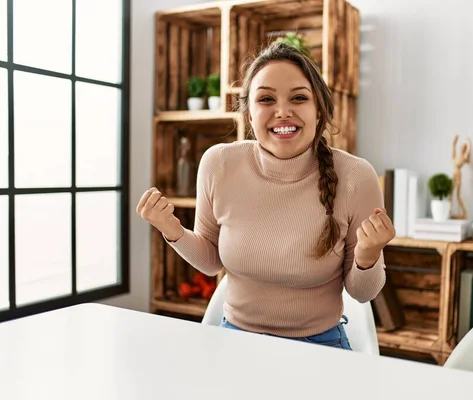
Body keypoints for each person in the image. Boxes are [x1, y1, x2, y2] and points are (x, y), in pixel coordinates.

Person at [137, 42, 395, 351]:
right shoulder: (218, 164)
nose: (283, 111)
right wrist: (173, 230)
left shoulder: (355, 177)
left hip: (320, 348)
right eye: (266, 99)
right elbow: (210, 260)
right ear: (248, 114)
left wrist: (368, 255)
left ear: (319, 110)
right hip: (234, 342)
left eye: (299, 97)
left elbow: (363, 292)